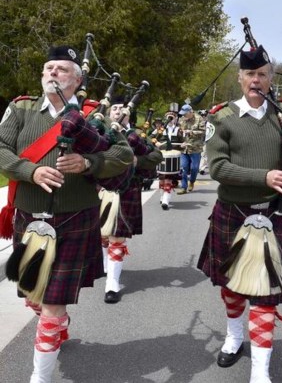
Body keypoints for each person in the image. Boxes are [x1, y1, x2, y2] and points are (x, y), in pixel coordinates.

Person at [197, 44, 282, 382]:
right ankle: (233, 336)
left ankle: (260, 371)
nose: (255, 80)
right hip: (232, 211)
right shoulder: (223, 117)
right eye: (249, 75)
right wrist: (265, 176)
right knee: (230, 287)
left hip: (271, 216)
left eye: (262, 75)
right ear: (240, 78)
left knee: (265, 295)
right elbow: (218, 168)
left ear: (271, 79)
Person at [0, 45, 133, 382]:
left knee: (51, 305)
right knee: (34, 297)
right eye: (48, 67)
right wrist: (29, 170)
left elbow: (123, 155)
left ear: (77, 79)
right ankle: (57, 323)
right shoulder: (21, 109)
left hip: (75, 219)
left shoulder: (94, 116)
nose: (52, 73)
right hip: (29, 220)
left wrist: (89, 162)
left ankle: (39, 378)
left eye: (61, 69)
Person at [100, 96, 162, 303]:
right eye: (114, 108)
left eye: (122, 108)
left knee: (117, 236)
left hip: (126, 189)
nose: (118, 111)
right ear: (109, 113)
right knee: (102, 235)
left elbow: (157, 156)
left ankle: (112, 284)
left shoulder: (135, 136)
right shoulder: (98, 131)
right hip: (99, 190)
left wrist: (138, 160)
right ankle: (106, 267)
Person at [153, 111, 185, 210]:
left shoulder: (179, 130)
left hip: (173, 157)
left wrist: (183, 145)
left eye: (172, 117)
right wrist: (156, 142)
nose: (170, 119)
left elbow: (183, 141)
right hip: (161, 155)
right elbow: (150, 138)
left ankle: (166, 200)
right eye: (168, 117)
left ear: (176, 119)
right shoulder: (160, 129)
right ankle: (163, 195)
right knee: (162, 179)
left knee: (168, 179)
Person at [176, 104, 206, 195]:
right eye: (183, 114)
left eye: (185, 113)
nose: (184, 115)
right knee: (183, 168)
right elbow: (178, 132)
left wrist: (191, 132)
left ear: (190, 112)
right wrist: (180, 134)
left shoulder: (199, 119)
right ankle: (183, 187)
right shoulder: (181, 120)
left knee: (194, 168)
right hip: (184, 148)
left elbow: (203, 132)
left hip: (195, 148)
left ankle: (192, 181)